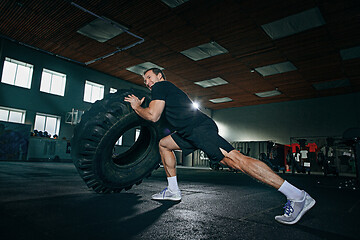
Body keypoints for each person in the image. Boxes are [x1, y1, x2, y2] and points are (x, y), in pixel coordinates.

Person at [124, 68, 315, 225]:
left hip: (198, 129)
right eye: (145, 81)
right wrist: (144, 105)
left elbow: (153, 116)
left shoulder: (161, 86)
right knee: (164, 144)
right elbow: (158, 114)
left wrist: (136, 107)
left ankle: (297, 196)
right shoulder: (164, 92)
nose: (147, 82)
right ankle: (173, 190)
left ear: (160, 76)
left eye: (149, 77)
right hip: (188, 132)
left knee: (236, 160)